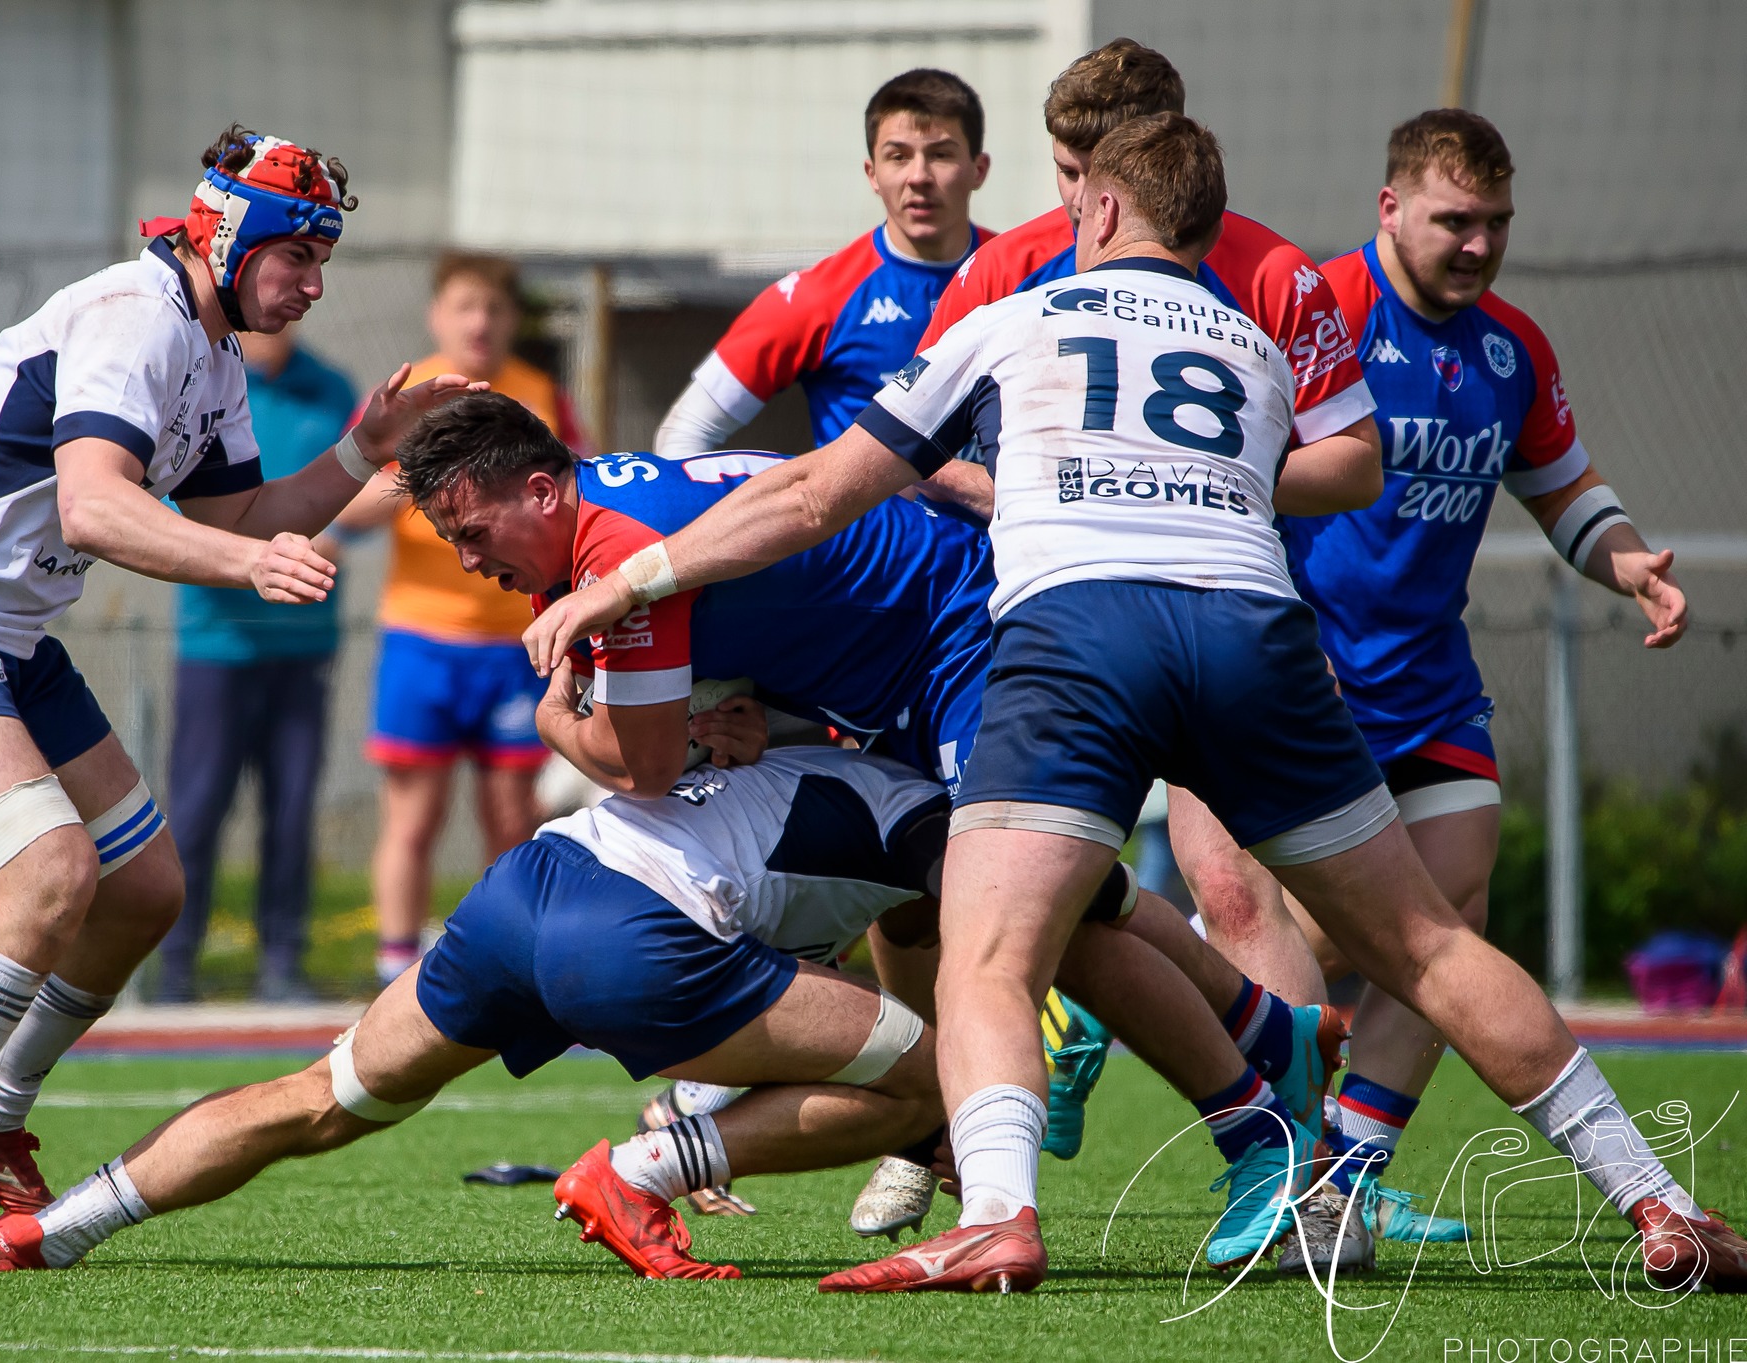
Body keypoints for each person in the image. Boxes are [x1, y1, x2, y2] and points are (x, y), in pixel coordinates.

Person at [521, 112, 1747, 1294]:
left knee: (991, 956)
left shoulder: (1011, 315)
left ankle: (997, 1221)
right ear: (1207, 235)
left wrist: (628, 577)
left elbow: (805, 498)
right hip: (1253, 635)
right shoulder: (1258, 347)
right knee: (1425, 943)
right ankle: (1659, 1201)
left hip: (1078, 638)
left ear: (1097, 206)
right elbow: (1335, 472)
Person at [392, 394, 1359, 1266]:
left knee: (1016, 906)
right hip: (885, 667)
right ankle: (1263, 1034)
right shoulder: (590, 529)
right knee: (939, 908)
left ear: (539, 490)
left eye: (472, 532)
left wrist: (557, 720)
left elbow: (639, 765)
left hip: (961, 631)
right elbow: (766, 629)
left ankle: (1251, 1136)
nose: (470, 560)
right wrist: (737, 722)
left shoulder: (609, 553)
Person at [0, 126, 474, 1271]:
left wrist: (364, 451)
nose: (314, 281)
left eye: (324, 257)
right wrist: (250, 567)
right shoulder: (135, 316)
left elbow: (240, 521)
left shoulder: (207, 353)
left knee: (144, 887)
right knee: (51, 874)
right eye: (297, 253)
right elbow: (96, 512)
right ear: (225, 234)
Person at [0, 744, 1341, 1278]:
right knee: (954, 1082)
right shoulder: (959, 810)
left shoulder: (794, 756)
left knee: (323, 1100)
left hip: (530, 883)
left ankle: (55, 1227)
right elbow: (1103, 908)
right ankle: (639, 1168)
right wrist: (1262, 1013)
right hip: (642, 936)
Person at [907, 33, 1385, 1166]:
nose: (1074, 200)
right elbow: (917, 443)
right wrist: (1033, 495)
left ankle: (1304, 1174)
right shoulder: (1008, 265)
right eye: (1060, 171)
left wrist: (1185, 487)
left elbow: (1356, 461)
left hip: (1218, 614)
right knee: (995, 902)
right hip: (1051, 628)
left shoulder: (1269, 269)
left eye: (1094, 173)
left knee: (1230, 886)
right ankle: (948, 1142)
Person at [1269, 108, 1691, 1270]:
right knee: (1312, 933)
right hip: (1306, 677)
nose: (1477, 243)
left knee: (1450, 913)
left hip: (1430, 686)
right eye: (1454, 219)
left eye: (1495, 223)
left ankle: (1336, 1193)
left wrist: (1628, 563)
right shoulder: (1314, 313)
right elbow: (1233, 480)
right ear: (1388, 207)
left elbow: (1562, 490)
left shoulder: (1512, 350)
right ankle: (1150, 977)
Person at [331, 252, 588, 986]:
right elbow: (345, 501)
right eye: (465, 305)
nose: (481, 321)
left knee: (514, 819)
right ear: (436, 315)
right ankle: (393, 974)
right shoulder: (407, 397)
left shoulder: (540, 395)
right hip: (422, 639)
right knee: (412, 818)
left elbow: (583, 492)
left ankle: (508, 966)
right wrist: (420, 486)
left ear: (514, 321)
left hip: (516, 642)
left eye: (496, 308)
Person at [158, 323, 362, 1004]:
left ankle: (282, 963)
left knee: (292, 809)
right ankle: (174, 966)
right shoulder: (200, 382)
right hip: (216, 646)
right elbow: (165, 504)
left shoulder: (331, 390)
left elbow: (359, 491)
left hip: (303, 647)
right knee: (197, 808)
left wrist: (336, 534)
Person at [653, 69, 993, 457]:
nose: (918, 176)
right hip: (869, 520)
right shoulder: (821, 296)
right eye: (898, 157)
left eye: (941, 155)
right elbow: (684, 433)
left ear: (978, 169)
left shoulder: (1032, 273)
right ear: (873, 174)